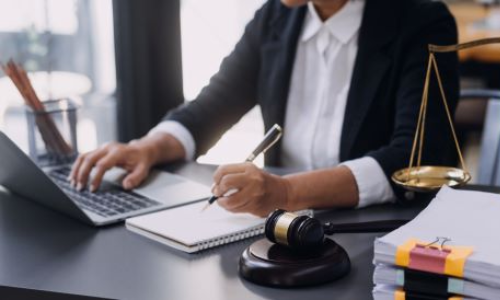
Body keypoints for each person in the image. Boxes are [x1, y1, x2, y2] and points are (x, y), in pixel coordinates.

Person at [70, 0, 459, 217]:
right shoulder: (276, 17)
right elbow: (209, 109)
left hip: (373, 229)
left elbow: (414, 159)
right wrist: (148, 148)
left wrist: (286, 192)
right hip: (282, 232)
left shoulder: (423, 21)